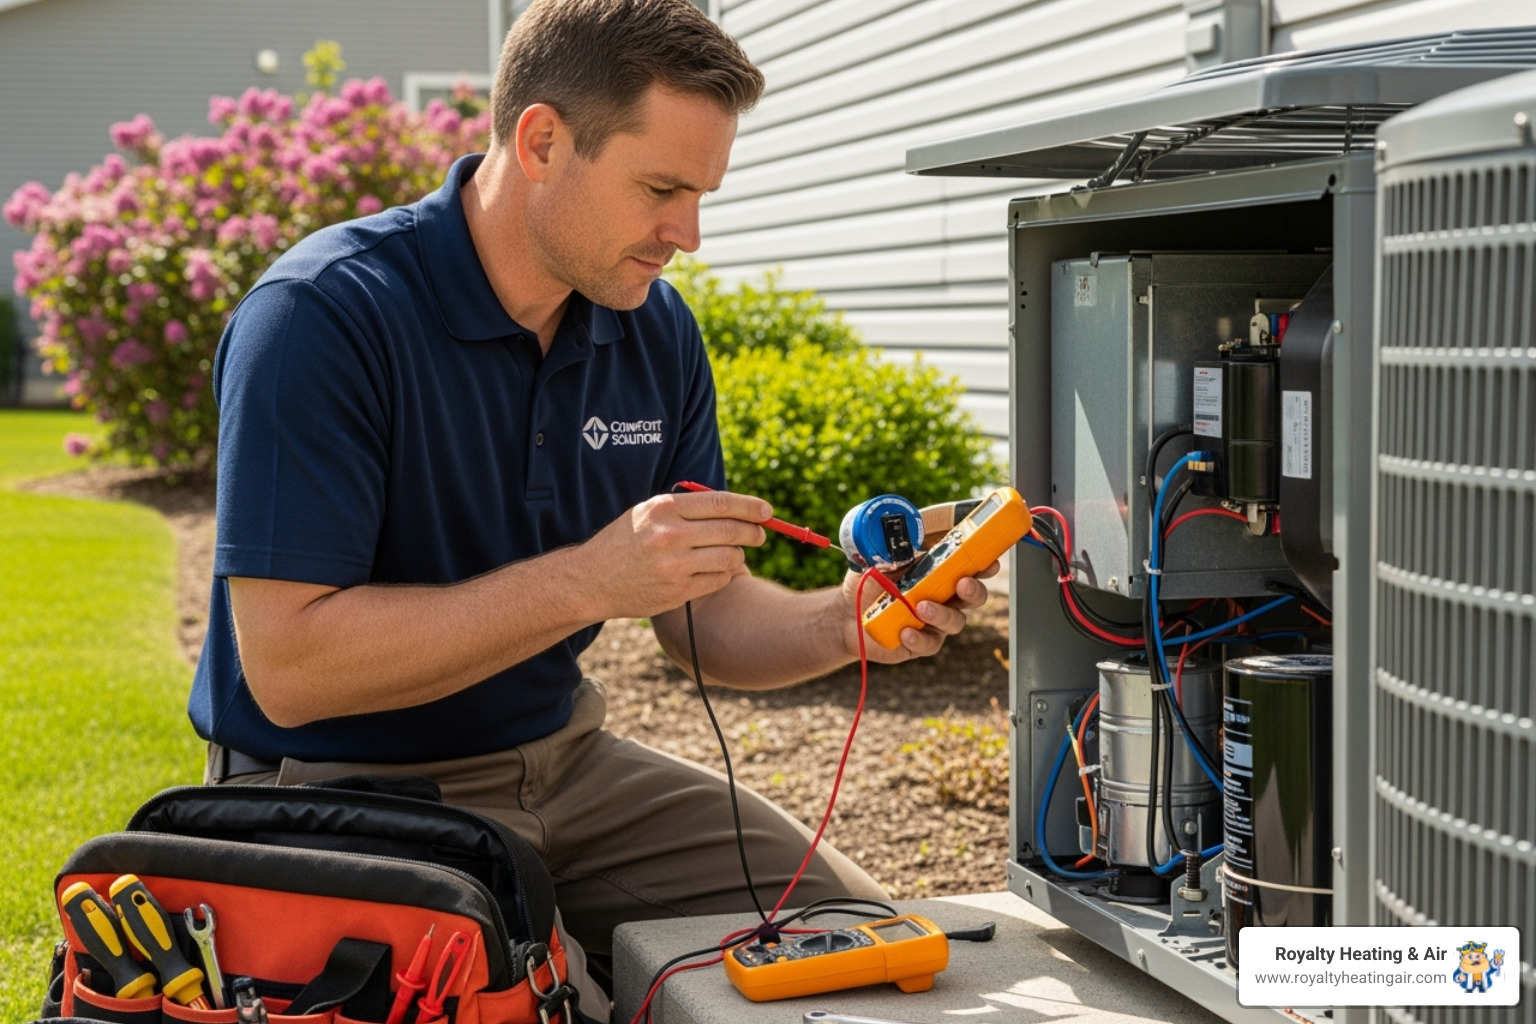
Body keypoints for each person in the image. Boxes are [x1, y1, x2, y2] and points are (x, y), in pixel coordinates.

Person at [191, 0, 995, 1011]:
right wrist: (584, 581)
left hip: (569, 768)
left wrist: (849, 620)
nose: (689, 235)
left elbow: (701, 625)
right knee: (548, 997)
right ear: (541, 140)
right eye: (661, 188)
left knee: (874, 962)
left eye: (702, 194)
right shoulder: (322, 318)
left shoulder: (652, 333)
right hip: (336, 787)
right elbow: (292, 669)